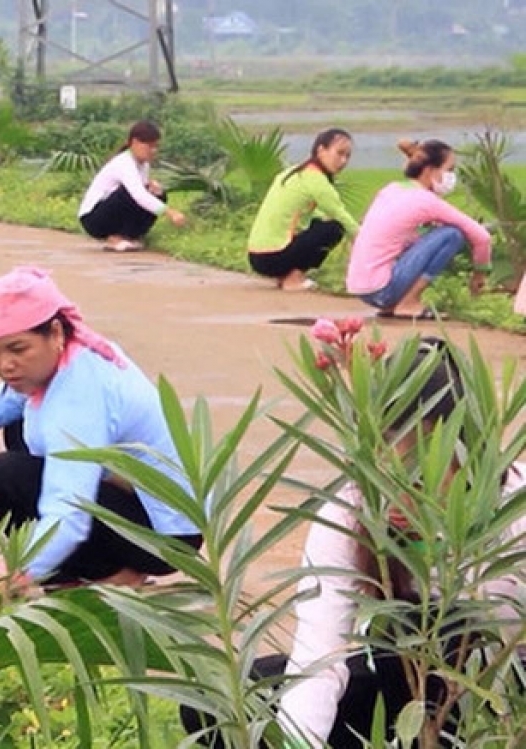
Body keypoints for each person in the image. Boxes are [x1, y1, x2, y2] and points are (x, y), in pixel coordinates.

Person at [275, 338, 526, 748]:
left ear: (470, 453)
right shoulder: (347, 514)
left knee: (453, 628)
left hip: (498, 687)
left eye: (420, 468)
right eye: (380, 465)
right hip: (403, 683)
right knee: (252, 694)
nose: (397, 492)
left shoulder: (514, 508)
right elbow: (318, 659)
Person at [0, 267, 202, 592]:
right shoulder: (76, 353)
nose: (5, 365)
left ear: (55, 332)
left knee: (8, 473)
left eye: (18, 349)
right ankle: (79, 568)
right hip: (144, 504)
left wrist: (17, 573)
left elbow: (69, 510)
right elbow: (7, 399)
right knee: (17, 426)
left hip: (165, 535)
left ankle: (110, 574)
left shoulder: (78, 396)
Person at [347, 139, 491, 320]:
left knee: (427, 235)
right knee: (452, 234)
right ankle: (408, 302)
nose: (451, 177)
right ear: (430, 170)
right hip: (382, 290)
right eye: (449, 170)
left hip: (362, 289)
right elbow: (482, 237)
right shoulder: (426, 201)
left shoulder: (391, 189)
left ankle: (394, 304)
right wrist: (479, 274)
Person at [247, 128, 359, 291]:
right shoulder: (316, 180)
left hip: (257, 256)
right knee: (334, 228)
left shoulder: (293, 172)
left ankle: (286, 275)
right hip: (271, 256)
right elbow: (340, 215)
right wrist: (367, 240)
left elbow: (317, 214)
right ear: (321, 150)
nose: (343, 161)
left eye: (347, 156)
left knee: (322, 223)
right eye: (339, 153)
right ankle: (293, 278)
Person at [78, 120, 187, 252]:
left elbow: (143, 193)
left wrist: (154, 189)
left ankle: (129, 236)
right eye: (149, 146)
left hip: (110, 212)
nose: (153, 151)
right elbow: (138, 195)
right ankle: (114, 238)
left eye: (156, 147)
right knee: (129, 193)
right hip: (93, 219)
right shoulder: (124, 163)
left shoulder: (143, 164)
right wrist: (169, 212)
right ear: (135, 143)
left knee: (158, 194)